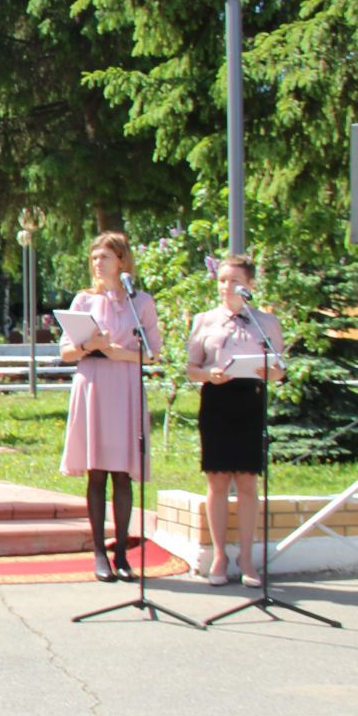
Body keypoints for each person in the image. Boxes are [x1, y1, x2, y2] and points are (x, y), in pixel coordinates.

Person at [59, 231, 160, 582]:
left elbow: (153, 352)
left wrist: (120, 352)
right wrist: (91, 345)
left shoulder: (140, 301)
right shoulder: (84, 301)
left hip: (126, 386)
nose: (97, 264)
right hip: (94, 385)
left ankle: (121, 554)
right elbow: (65, 351)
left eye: (104, 257)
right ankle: (99, 552)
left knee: (122, 472)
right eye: (93, 258)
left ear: (121, 261)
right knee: (97, 470)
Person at [185, 255, 285, 586]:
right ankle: (219, 555)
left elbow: (280, 369)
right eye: (222, 280)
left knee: (247, 481)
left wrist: (272, 373)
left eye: (234, 280)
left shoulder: (265, 322)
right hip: (216, 398)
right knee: (217, 480)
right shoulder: (205, 320)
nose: (226, 286)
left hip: (249, 400)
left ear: (250, 285)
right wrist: (207, 375)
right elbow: (190, 369)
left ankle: (246, 557)